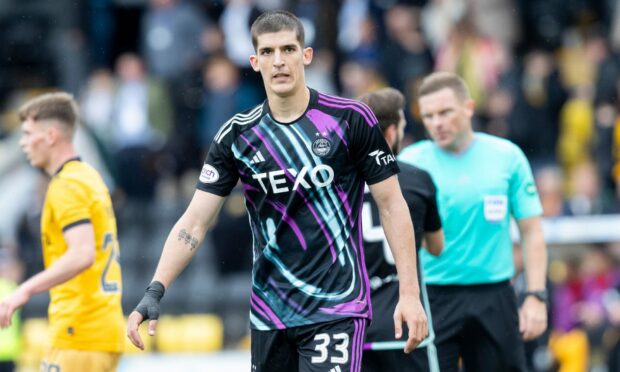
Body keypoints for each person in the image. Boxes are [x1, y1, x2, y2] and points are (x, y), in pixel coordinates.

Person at [127, 10, 427, 372]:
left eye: (288, 49)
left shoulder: (350, 119)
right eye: (268, 52)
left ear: (306, 55)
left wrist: (409, 295)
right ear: (254, 62)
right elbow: (194, 221)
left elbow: (392, 205)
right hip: (270, 313)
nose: (279, 61)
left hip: (337, 308)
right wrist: (154, 290)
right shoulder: (237, 135)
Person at [398, 71, 548, 371]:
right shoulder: (409, 164)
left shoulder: (507, 157)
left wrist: (535, 295)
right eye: (428, 115)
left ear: (468, 107)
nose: (436, 123)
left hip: (494, 295)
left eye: (445, 112)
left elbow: (531, 233)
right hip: (432, 298)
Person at [0, 93, 125, 371]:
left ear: (51, 135)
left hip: (79, 333)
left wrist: (25, 289)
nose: (23, 143)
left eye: (28, 133)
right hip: (96, 330)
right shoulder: (89, 177)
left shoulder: (67, 185)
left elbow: (82, 254)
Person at [358, 88, 444, 372]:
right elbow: (436, 246)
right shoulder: (417, 179)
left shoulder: (339, 183)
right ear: (392, 132)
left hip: (351, 328)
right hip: (406, 327)